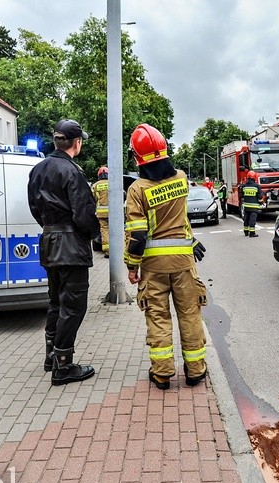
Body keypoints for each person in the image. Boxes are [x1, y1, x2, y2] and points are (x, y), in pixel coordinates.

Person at [124, 123, 208, 390]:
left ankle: (162, 374)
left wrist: (132, 266)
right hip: (184, 263)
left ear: (138, 158)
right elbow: (180, 220)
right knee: (190, 314)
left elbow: (137, 236)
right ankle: (195, 370)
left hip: (153, 266)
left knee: (158, 317)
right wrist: (191, 240)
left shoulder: (137, 189)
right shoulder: (181, 178)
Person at [27, 119, 99, 386]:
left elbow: (34, 208)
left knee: (56, 301)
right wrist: (92, 234)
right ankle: (64, 365)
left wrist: (51, 229)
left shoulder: (38, 170)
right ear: (76, 142)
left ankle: (51, 357)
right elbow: (84, 213)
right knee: (73, 306)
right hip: (71, 245)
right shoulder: (73, 172)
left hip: (49, 241)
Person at [92, 166, 109, 258]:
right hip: (114, 214)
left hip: (101, 213)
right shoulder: (113, 183)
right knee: (116, 231)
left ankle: (107, 251)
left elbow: (91, 199)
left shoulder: (95, 185)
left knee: (104, 230)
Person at [239, 171, 262, 237]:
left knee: (246, 218)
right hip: (254, 206)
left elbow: (241, 196)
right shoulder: (257, 186)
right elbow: (259, 197)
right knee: (252, 219)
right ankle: (252, 233)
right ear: (254, 177)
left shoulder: (244, 186)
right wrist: (260, 202)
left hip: (246, 206)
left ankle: (246, 231)